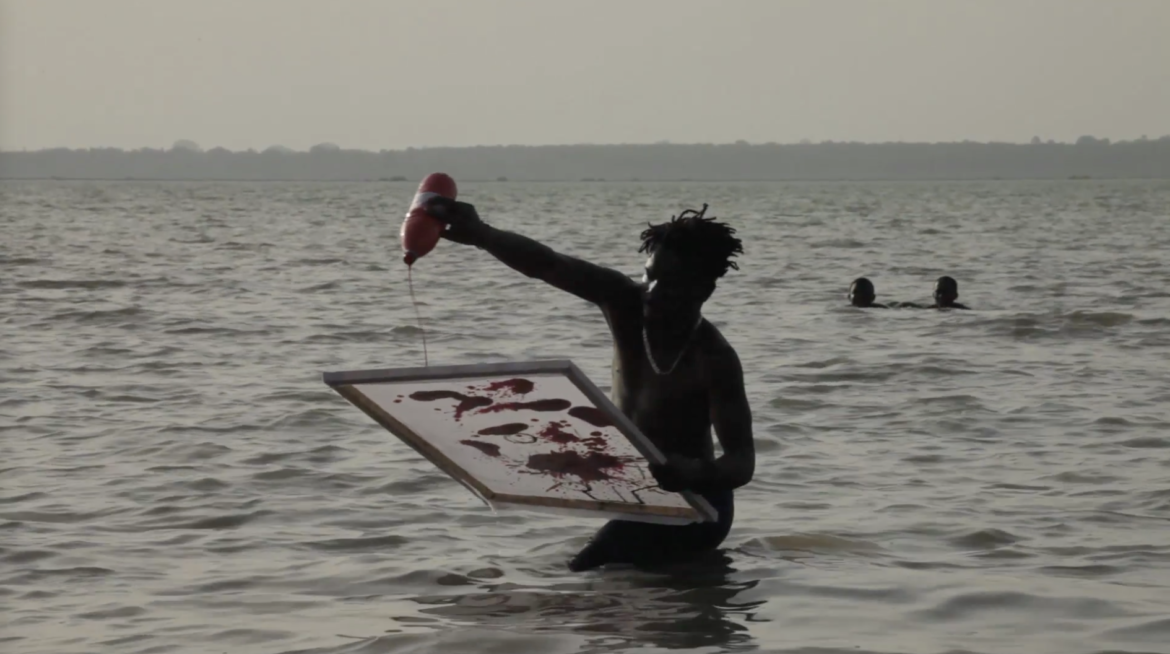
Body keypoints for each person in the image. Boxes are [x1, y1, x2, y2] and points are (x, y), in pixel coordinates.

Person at [424, 198, 755, 572]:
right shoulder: (623, 302)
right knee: (641, 591)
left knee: (588, 568)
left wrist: (694, 472)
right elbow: (548, 264)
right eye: (650, 275)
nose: (651, 291)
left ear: (704, 290)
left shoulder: (714, 358)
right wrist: (481, 234)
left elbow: (742, 462)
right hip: (637, 493)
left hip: (699, 503)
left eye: (670, 283)